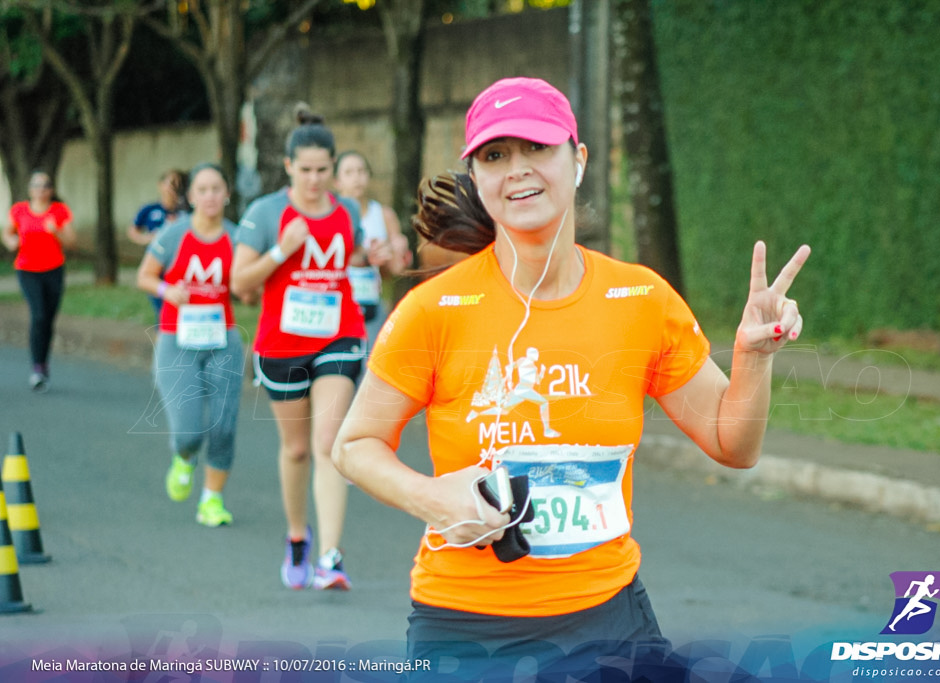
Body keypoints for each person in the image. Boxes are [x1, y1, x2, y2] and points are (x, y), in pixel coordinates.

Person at [332, 77, 811, 677]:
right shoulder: (436, 310)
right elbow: (353, 445)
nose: (517, 170)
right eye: (495, 155)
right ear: (477, 180)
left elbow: (733, 443)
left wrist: (753, 357)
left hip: (609, 619)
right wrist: (432, 497)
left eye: (537, 148)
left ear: (578, 160)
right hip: (466, 627)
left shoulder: (639, 298)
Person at [231, 106, 380, 590]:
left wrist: (374, 257)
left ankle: (331, 559)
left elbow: (353, 256)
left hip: (339, 334)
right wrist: (282, 249)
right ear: (288, 165)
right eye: (306, 170)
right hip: (281, 343)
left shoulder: (348, 211)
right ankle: (299, 537)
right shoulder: (266, 213)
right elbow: (240, 283)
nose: (315, 180)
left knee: (328, 445)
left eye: (323, 170)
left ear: (333, 168)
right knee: (296, 450)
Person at [136, 163, 244, 527]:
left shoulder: (236, 237)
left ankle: (212, 500)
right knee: (188, 430)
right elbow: (145, 276)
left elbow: (248, 288)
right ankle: (184, 457)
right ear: (191, 197)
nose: (211, 196)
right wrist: (169, 290)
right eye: (203, 189)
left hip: (223, 340)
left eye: (217, 188)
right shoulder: (174, 234)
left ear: (227, 194)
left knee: (224, 427)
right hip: (177, 339)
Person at [2, 170, 77, 392]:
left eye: (45, 185)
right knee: (39, 315)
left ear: (51, 190)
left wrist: (57, 233)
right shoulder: (19, 210)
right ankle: (37, 368)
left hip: (54, 270)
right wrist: (11, 241)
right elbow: (7, 234)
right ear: (30, 189)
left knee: (48, 319)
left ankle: (43, 365)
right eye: (36, 185)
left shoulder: (59, 211)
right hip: (27, 270)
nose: (40, 189)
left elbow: (72, 242)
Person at [334, 150, 411, 346]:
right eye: (349, 173)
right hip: (337, 307)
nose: (357, 178)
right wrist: (364, 258)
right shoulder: (331, 215)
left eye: (361, 171)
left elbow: (393, 271)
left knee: (370, 368)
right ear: (337, 181)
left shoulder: (384, 215)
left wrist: (397, 253)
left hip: (372, 305)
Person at [129, 169, 189, 322]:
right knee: (162, 314)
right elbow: (133, 231)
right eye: (170, 183)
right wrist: (148, 239)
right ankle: (162, 342)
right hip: (157, 270)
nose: (173, 188)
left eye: (178, 185)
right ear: (160, 185)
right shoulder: (149, 209)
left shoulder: (187, 213)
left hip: (181, 269)